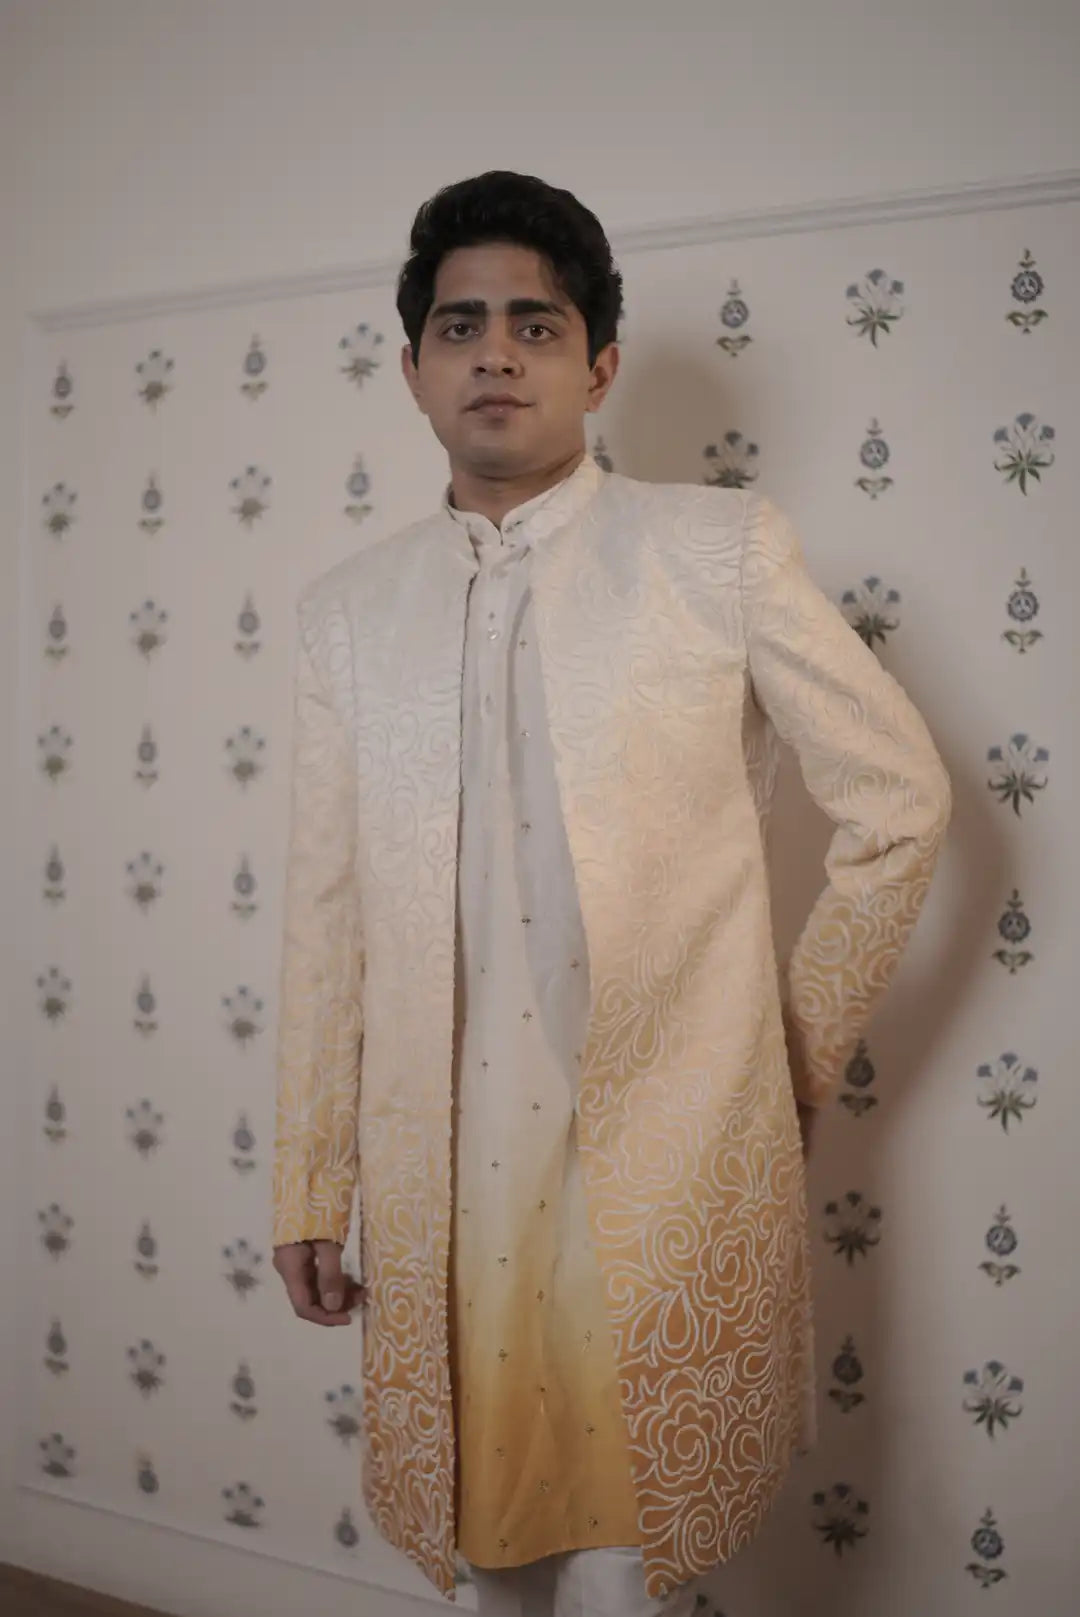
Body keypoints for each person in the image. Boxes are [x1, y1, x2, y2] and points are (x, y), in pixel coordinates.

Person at [270, 170, 952, 1617]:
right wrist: (309, 1177)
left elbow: (900, 801)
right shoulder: (348, 616)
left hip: (661, 1141)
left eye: (537, 324)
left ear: (599, 367)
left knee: (632, 1557)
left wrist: (787, 1052)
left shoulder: (713, 551)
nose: (496, 354)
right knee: (484, 1545)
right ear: (412, 368)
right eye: (460, 326)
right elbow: (325, 919)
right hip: (441, 1163)